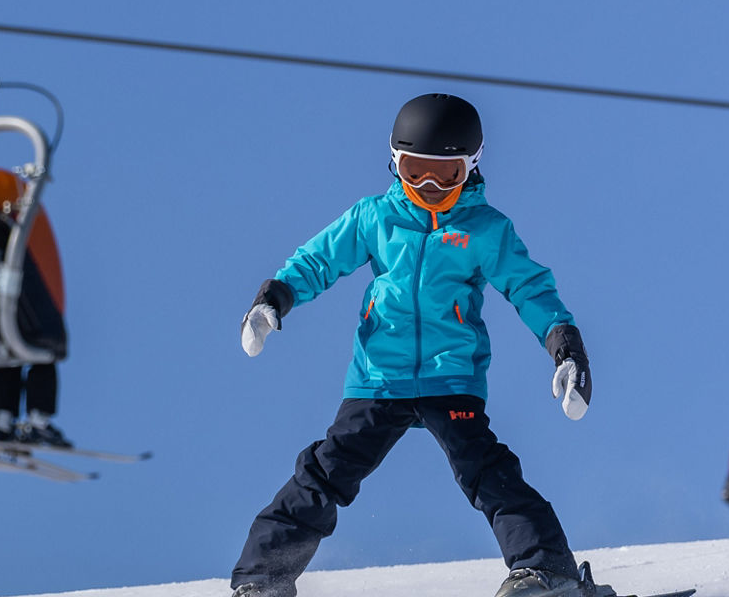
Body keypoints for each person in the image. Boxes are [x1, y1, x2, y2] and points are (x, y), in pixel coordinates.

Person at [224, 94, 598, 597]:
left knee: (488, 472)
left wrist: (564, 345)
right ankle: (262, 579)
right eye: (415, 171)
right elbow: (319, 260)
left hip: (451, 376)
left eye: (446, 175)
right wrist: (275, 299)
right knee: (325, 472)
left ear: (471, 167)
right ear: (394, 164)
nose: (429, 188)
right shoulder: (375, 217)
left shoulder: (485, 230)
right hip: (380, 375)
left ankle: (546, 571)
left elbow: (529, 289)